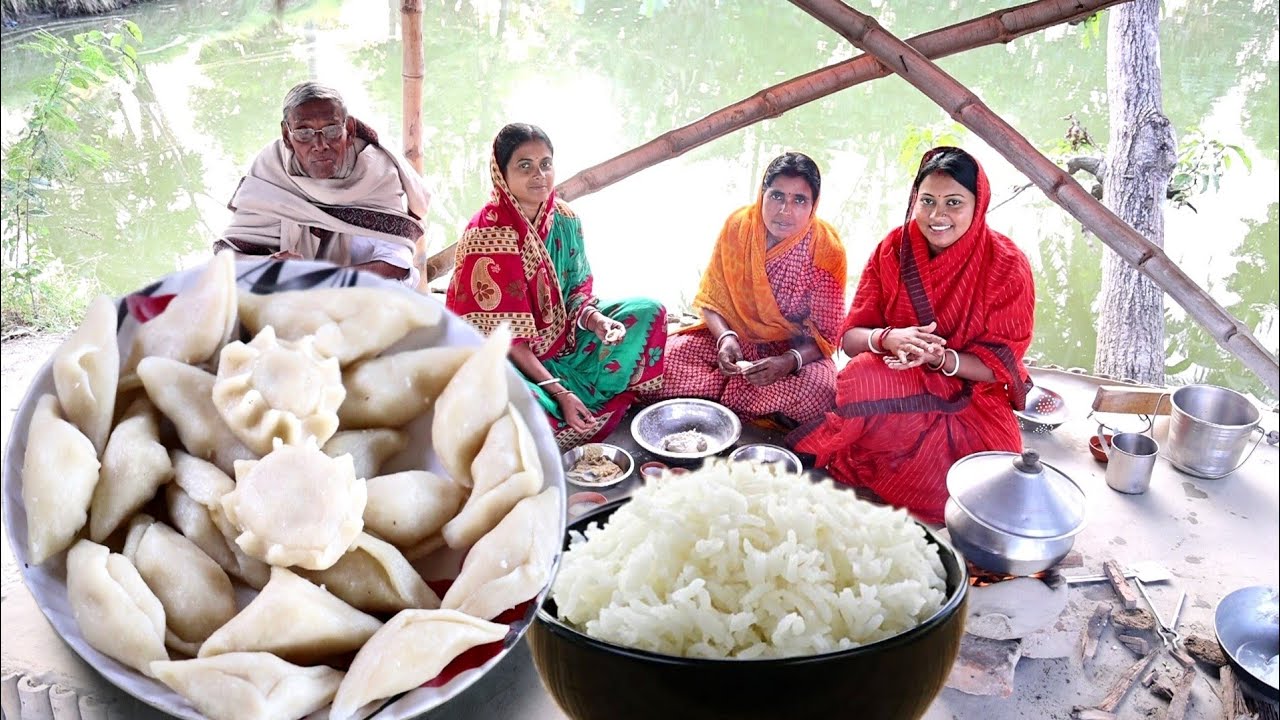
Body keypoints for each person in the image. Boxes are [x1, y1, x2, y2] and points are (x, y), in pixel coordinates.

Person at [791, 146, 1035, 524]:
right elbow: (851, 338)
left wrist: (940, 358)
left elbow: (1002, 366)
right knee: (860, 375)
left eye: (954, 202)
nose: (938, 216)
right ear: (914, 201)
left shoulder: (1006, 266)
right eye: (927, 202)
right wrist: (888, 338)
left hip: (971, 398)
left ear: (979, 203)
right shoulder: (893, 249)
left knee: (986, 482)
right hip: (900, 379)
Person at [446, 123, 667, 448]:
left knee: (649, 311)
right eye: (525, 166)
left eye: (546, 164)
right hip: (507, 356)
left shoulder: (565, 220)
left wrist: (599, 322)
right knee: (505, 397)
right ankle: (566, 406)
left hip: (563, 338)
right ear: (501, 173)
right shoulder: (487, 234)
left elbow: (577, 294)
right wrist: (560, 392)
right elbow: (504, 338)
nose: (540, 175)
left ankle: (578, 401)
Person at [656, 152, 846, 429]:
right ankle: (751, 403)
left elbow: (826, 336)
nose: (785, 211)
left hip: (791, 350)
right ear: (762, 194)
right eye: (777, 196)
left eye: (799, 200)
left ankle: (719, 397)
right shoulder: (739, 227)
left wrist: (788, 362)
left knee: (821, 392)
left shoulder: (826, 251)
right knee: (665, 360)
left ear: (813, 205)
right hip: (733, 339)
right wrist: (725, 339)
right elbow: (711, 299)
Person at [214, 81, 430, 286]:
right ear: (286, 136)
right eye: (304, 133)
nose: (320, 144)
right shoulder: (271, 166)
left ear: (350, 129)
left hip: (360, 293)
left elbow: (397, 266)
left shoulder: (376, 171)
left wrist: (320, 279)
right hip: (289, 291)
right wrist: (270, 264)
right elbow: (228, 256)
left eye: (332, 130)